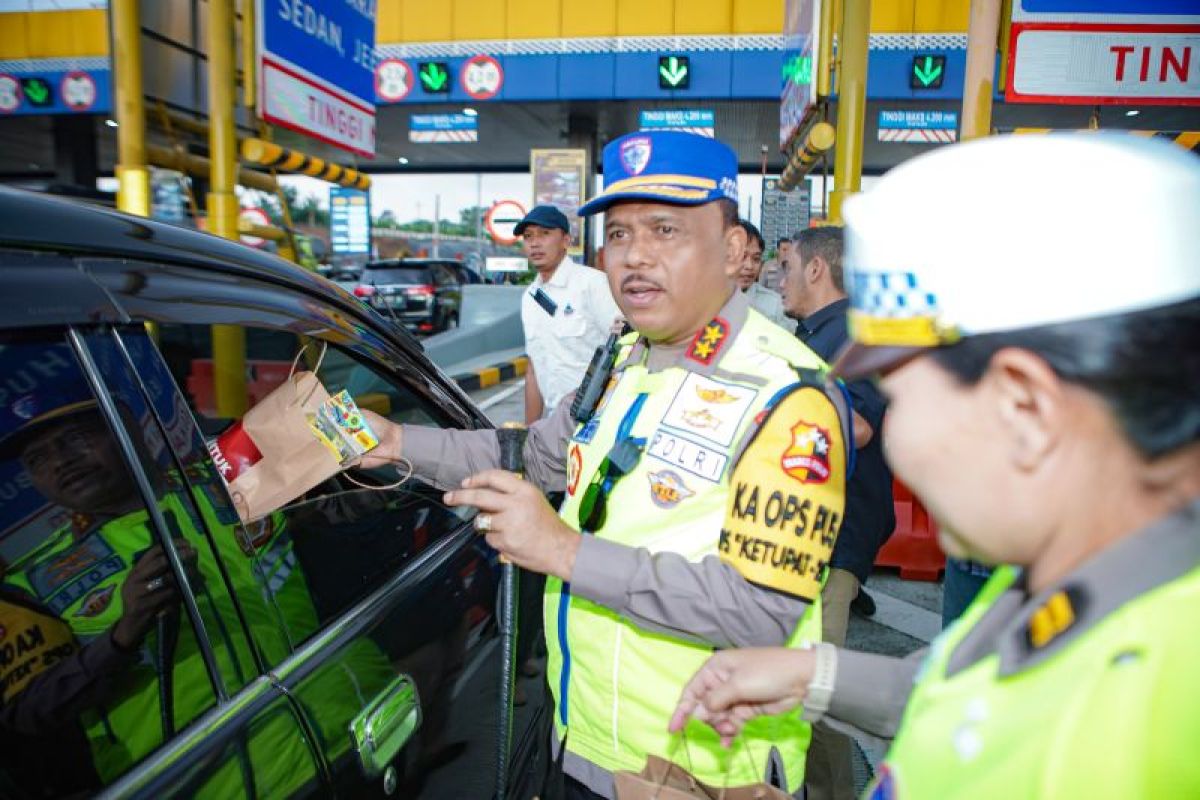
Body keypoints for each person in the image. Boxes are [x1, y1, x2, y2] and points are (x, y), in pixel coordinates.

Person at [669, 133, 1200, 798]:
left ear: (1024, 406)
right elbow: (966, 683)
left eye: (897, 398)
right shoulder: (1085, 574)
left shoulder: (1138, 719)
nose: (903, 442)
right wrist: (808, 677)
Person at [360, 130, 852, 799]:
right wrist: (395, 442)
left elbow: (756, 610)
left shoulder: (789, 395)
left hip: (700, 774)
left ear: (733, 250)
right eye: (618, 235)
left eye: (665, 229)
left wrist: (564, 550)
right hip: (583, 747)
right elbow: (531, 454)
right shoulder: (623, 362)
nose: (636, 257)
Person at [779, 225, 894, 800]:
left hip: (833, 536)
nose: (781, 281)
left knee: (816, 691)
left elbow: (860, 426)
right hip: (810, 534)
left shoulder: (848, 335)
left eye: (786, 267)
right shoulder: (816, 334)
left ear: (817, 269)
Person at [518, 204, 622, 424]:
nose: (535, 243)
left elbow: (624, 349)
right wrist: (530, 433)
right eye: (528, 236)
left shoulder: (592, 284)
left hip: (598, 417)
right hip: (556, 421)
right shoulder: (530, 297)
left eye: (544, 234)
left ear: (566, 240)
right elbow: (534, 370)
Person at [737, 219, 789, 328]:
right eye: (742, 257)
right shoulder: (702, 305)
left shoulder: (775, 306)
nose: (749, 266)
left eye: (756, 259)